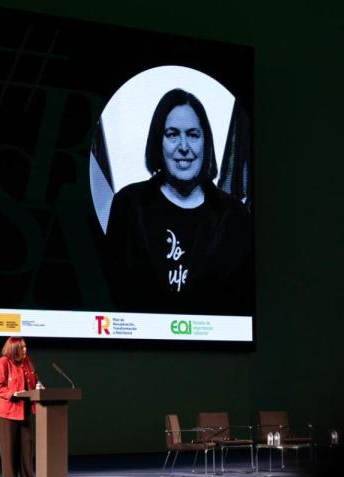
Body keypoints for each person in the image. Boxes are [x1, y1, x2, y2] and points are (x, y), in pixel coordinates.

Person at [104, 88, 253, 314]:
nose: (184, 147)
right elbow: (110, 292)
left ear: (206, 142)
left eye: (193, 135)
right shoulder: (128, 205)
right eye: (172, 134)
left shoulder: (235, 215)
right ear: (158, 141)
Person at [0, 336, 42, 477]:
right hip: (5, 410)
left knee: (27, 445)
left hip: (24, 409)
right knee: (9, 447)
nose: (25, 350)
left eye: (26, 347)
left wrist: (40, 388)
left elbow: (34, 379)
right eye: (22, 347)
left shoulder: (27, 362)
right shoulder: (1, 363)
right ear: (14, 348)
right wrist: (15, 393)